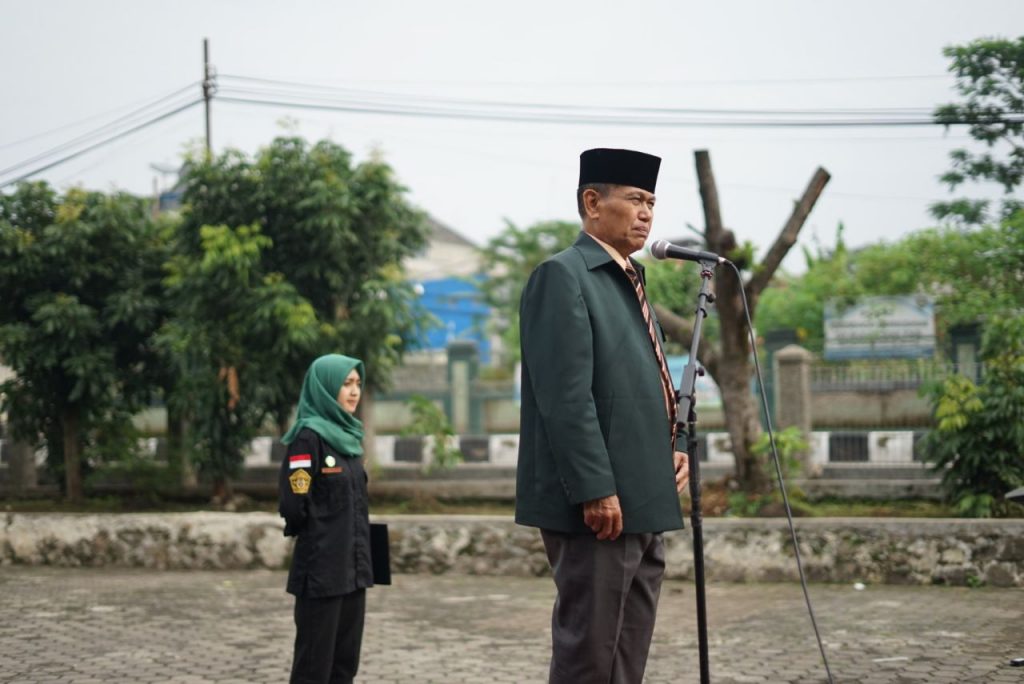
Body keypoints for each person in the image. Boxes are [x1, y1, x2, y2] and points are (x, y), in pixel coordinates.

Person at [515, 148, 690, 683]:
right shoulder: (563, 276)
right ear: (593, 202)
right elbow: (566, 396)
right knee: (588, 656)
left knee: (627, 656)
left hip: (644, 494)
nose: (646, 214)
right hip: (599, 506)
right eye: (635, 199)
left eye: (652, 203)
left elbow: (647, 383)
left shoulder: (630, 279)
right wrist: (595, 487)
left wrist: (675, 447)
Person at [279, 353, 373, 684]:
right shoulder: (308, 438)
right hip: (322, 572)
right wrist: (323, 540)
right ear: (325, 387)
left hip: (354, 571)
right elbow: (293, 505)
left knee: (344, 665)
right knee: (313, 668)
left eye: (357, 384)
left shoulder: (349, 440)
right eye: (345, 384)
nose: (354, 391)